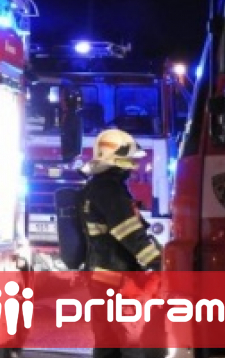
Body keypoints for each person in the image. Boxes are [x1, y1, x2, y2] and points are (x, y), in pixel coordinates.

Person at [79, 129, 165, 358]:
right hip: (117, 279)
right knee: (130, 343)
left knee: (107, 343)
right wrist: (157, 262)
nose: (131, 167)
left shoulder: (94, 188)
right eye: (129, 161)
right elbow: (129, 233)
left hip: (100, 276)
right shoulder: (110, 191)